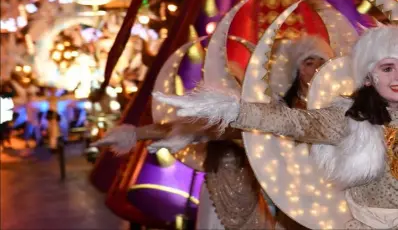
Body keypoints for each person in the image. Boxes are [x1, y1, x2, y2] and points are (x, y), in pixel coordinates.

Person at [153, 26, 398, 229]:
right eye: (387, 68)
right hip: (311, 201)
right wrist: (234, 111)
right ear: (368, 76)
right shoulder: (348, 119)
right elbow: (290, 122)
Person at [93, 35, 335, 229]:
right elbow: (190, 126)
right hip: (235, 195)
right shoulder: (267, 112)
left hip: (307, 198)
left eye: (320, 62)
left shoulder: (337, 105)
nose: (313, 70)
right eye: (308, 63)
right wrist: (136, 134)